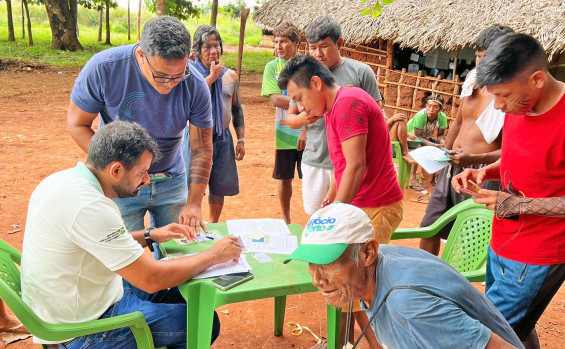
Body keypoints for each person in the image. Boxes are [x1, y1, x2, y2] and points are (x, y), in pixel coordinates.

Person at [21, 121, 242, 348]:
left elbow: (97, 242)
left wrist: (150, 234)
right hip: (82, 329)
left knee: (184, 292)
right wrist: (214, 255)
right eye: (142, 173)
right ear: (116, 170)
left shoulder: (61, 181)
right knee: (203, 322)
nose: (146, 180)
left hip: (78, 301)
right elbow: (151, 279)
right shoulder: (91, 207)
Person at [279, 54, 403, 349]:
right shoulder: (335, 109)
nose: (301, 107)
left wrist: (336, 216)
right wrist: (330, 200)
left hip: (376, 205)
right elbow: (343, 167)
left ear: (316, 83)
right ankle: (345, 342)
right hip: (362, 207)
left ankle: (376, 345)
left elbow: (357, 166)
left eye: (299, 97)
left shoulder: (348, 104)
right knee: (349, 286)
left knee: (360, 285)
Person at [452, 33, 565, 349]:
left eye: (503, 96)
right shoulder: (518, 106)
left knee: (490, 333)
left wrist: (519, 205)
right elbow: (517, 156)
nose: (498, 106)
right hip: (502, 239)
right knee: (516, 325)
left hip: (538, 254)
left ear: (537, 79)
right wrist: (485, 170)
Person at [284, 203, 524, 349]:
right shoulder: (368, 274)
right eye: (311, 264)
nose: (317, 279)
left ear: (368, 252)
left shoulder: (408, 302)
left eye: (328, 263)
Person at [67, 16, 213, 236]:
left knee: (176, 252)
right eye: (162, 76)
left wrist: (194, 203)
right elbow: (78, 124)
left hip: (171, 181)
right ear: (141, 56)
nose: (171, 84)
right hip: (120, 183)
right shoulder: (104, 69)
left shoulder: (195, 83)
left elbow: (201, 147)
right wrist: (122, 170)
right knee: (124, 255)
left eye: (179, 75)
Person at [419, 25, 513, 255]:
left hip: (484, 174)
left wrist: (474, 158)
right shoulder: (472, 79)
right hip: (453, 165)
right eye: (478, 57)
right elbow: (459, 122)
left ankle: (456, 288)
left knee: (470, 242)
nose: (480, 63)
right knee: (429, 228)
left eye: (486, 58)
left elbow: (511, 150)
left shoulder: (511, 95)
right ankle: (426, 280)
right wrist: (442, 160)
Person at [285, 16, 383, 216]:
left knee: (349, 218)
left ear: (339, 44)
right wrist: (303, 121)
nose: (317, 54)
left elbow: (378, 113)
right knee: (317, 217)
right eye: (312, 48)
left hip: (352, 162)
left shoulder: (361, 72)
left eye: (324, 46)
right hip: (316, 158)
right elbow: (290, 118)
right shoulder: (303, 76)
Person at [182, 25, 245, 223]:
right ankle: (194, 222)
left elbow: (236, 109)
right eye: (207, 47)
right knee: (194, 186)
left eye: (216, 46)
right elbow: (189, 101)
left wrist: (241, 138)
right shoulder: (190, 74)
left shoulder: (230, 76)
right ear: (197, 51)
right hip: (196, 138)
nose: (213, 51)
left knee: (219, 187)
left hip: (223, 138)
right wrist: (211, 77)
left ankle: (214, 224)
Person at [261, 22, 303, 224]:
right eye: (276, 41)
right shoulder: (272, 67)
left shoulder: (308, 67)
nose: (278, 46)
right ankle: (286, 220)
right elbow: (276, 100)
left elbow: (320, 101)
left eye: (283, 41)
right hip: (284, 133)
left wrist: (307, 126)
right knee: (285, 179)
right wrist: (304, 103)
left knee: (314, 178)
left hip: (308, 134)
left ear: (296, 43)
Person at [407, 94, 448, 192]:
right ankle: (412, 179)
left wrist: (442, 142)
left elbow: (440, 135)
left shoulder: (442, 117)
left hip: (425, 138)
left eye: (435, 107)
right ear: (426, 106)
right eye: (429, 106)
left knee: (444, 151)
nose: (431, 109)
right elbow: (418, 137)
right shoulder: (421, 116)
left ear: (441, 109)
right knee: (419, 149)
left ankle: (435, 177)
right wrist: (434, 145)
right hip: (410, 139)